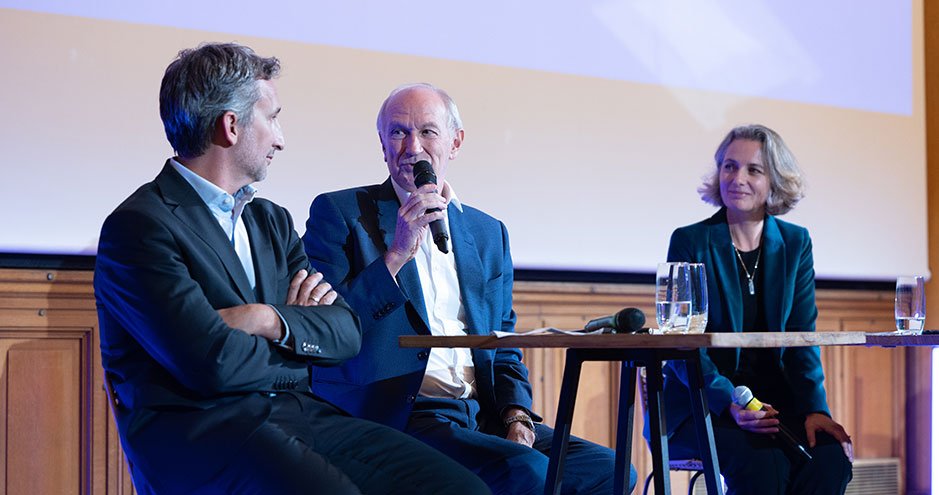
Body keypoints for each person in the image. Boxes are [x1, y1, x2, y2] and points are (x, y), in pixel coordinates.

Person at [94, 43, 489, 495]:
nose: (281, 138)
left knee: (460, 489)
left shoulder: (271, 221)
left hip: (298, 416)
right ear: (231, 125)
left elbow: (343, 333)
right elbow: (211, 365)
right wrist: (300, 345)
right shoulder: (140, 227)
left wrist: (266, 318)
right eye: (272, 117)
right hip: (204, 435)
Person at [302, 82, 637, 495]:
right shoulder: (341, 213)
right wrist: (396, 255)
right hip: (399, 411)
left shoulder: (486, 231)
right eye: (398, 132)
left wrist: (517, 414)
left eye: (427, 132)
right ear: (382, 144)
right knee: (525, 473)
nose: (413, 147)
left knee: (611, 469)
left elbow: (504, 341)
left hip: (481, 412)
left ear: (455, 142)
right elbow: (324, 328)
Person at [652, 124, 854, 494]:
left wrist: (816, 409)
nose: (737, 178)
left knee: (830, 459)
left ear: (774, 182)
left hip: (776, 405)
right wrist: (730, 401)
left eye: (753, 170)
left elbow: (802, 337)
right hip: (703, 402)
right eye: (729, 166)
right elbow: (681, 343)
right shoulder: (689, 241)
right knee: (764, 463)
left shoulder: (796, 242)